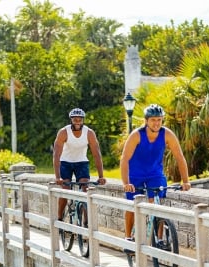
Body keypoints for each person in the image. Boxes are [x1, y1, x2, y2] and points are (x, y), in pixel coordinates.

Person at [120, 104, 191, 250]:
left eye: (159, 120)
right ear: (146, 121)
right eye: (153, 120)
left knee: (157, 205)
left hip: (155, 174)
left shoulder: (167, 134)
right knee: (132, 205)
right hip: (135, 175)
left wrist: (186, 181)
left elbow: (179, 157)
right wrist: (126, 182)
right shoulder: (137, 135)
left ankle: (159, 239)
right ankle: (128, 238)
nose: (156, 123)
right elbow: (124, 159)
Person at [53, 108, 106, 224]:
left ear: (83, 121)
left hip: (81, 162)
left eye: (80, 120)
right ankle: (59, 217)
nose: (77, 122)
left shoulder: (89, 133)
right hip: (65, 162)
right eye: (75, 119)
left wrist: (101, 176)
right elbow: (56, 155)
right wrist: (58, 177)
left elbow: (97, 155)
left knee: (85, 188)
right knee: (65, 190)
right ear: (71, 120)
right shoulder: (63, 132)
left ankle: (86, 221)